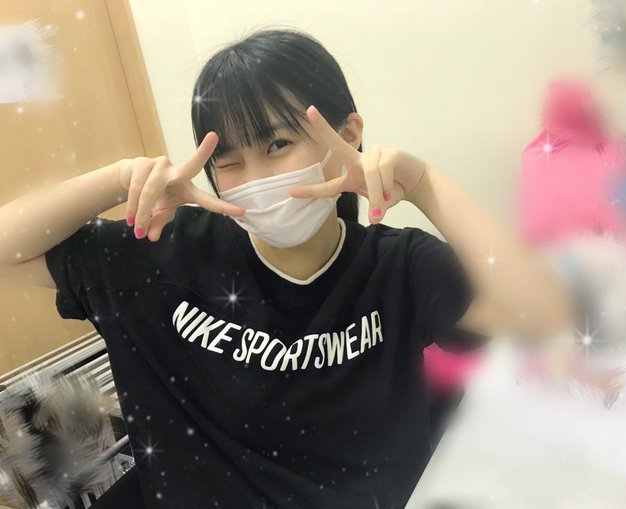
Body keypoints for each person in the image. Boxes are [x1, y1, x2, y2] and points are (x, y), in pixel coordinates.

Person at [0, 27, 572, 509]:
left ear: (346, 135)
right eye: (229, 162)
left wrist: (422, 182)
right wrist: (119, 179)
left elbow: (545, 317)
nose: (255, 180)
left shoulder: (398, 266)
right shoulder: (162, 254)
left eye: (276, 145)